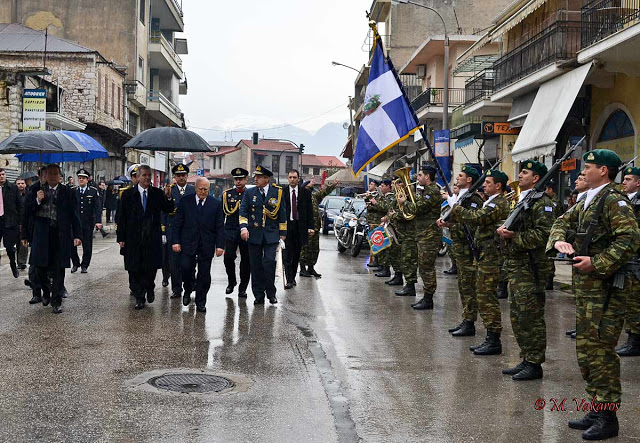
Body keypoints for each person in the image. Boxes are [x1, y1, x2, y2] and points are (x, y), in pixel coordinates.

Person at [548, 149, 640, 440]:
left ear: (603, 171)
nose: (582, 172)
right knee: (587, 352)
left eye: (587, 167)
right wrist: (560, 240)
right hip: (589, 289)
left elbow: (630, 239)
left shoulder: (613, 199)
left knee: (601, 353)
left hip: (607, 287)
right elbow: (562, 221)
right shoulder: (589, 199)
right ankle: (597, 406)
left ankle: (608, 417)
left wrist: (597, 263)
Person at [497, 160, 554, 380]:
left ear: (537, 178)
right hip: (517, 265)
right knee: (518, 316)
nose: (519, 175)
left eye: (525, 172)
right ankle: (526, 357)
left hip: (532, 266)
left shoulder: (543, 203)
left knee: (531, 316)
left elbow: (544, 235)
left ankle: (535, 363)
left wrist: (515, 237)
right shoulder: (523, 199)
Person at [450, 169, 510, 355]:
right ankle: (489, 336)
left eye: (488, 182)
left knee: (486, 296)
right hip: (483, 254)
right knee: (481, 294)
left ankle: (494, 339)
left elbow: (476, 218)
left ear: (498, 186)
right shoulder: (490, 202)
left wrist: (456, 206)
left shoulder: (498, 204)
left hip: (492, 255)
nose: (484, 185)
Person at [22, 164, 81, 314]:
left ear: (60, 176)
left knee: (58, 268)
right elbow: (27, 212)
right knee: (39, 267)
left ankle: (56, 301)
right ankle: (46, 290)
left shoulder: (67, 191)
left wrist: (77, 235)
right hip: (41, 233)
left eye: (56, 174)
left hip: (60, 233)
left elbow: (74, 214)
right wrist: (37, 200)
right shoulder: (36, 189)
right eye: (50, 174)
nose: (53, 176)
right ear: (46, 175)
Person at [117, 165, 174, 310]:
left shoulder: (157, 193)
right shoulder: (128, 195)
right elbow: (121, 217)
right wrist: (121, 238)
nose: (147, 178)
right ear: (138, 177)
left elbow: (168, 209)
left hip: (151, 238)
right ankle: (139, 297)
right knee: (134, 268)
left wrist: (168, 196)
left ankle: (150, 287)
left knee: (150, 268)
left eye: (149, 175)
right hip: (133, 238)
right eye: (144, 175)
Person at [438, 165, 484, 336]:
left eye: (461, 175)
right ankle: (466, 319)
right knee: (463, 286)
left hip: (468, 249)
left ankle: (470, 322)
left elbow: (472, 224)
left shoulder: (474, 200)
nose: (457, 177)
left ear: (469, 180)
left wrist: (455, 211)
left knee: (469, 286)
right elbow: (461, 222)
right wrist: (448, 223)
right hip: (459, 248)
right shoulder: (462, 198)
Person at [171, 177, 224, 312]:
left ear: (209, 189)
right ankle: (188, 289)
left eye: (206, 189)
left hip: (206, 244)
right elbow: (177, 223)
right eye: (200, 188)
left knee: (204, 274)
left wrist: (220, 245)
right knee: (186, 268)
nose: (203, 191)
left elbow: (219, 227)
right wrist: (176, 241)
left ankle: (201, 301)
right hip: (188, 243)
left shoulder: (216, 204)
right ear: (195, 188)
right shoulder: (185, 201)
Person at [239, 165, 287, 305]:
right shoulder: (249, 192)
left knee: (269, 263)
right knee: (256, 265)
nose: (255, 179)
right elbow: (243, 212)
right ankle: (258, 295)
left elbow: (282, 213)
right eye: (255, 176)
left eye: (259, 177)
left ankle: (271, 293)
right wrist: (243, 228)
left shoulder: (277, 192)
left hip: (271, 234)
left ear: (267, 178)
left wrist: (283, 233)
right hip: (254, 234)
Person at [398, 165, 442, 309]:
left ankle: (428, 299)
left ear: (427, 177)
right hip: (424, 233)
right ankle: (426, 297)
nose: (417, 178)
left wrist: (405, 202)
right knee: (423, 266)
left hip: (430, 234)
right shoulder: (427, 191)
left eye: (420, 175)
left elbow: (418, 209)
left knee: (426, 267)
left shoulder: (433, 191)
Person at [616, 166, 640, 356]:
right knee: (629, 300)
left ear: (638, 183)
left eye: (628, 179)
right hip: (629, 258)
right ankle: (632, 337)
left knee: (635, 301)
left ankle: (635, 341)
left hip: (637, 259)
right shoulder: (625, 200)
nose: (624, 182)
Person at [161, 163, 195, 296]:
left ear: (187, 176)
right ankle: (176, 288)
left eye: (183, 175)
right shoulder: (170, 190)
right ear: (175, 177)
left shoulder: (193, 191)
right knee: (173, 260)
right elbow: (163, 211)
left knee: (190, 259)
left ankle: (190, 284)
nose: (181, 178)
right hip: (172, 229)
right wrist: (163, 231)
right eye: (178, 175)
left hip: (189, 230)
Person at [299, 178, 339, 278]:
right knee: (304, 249)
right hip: (306, 228)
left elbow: (324, 192)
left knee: (314, 248)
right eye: (309, 185)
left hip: (315, 227)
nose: (312, 186)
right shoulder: (302, 196)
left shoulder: (314, 196)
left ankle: (311, 268)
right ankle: (303, 269)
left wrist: (333, 185)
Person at [282, 169, 313, 289]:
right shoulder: (283, 192)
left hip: (300, 227)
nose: (292, 179)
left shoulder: (305, 193)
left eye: (294, 177)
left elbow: (309, 211)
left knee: (296, 254)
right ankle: (289, 278)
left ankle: (293, 276)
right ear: (287, 178)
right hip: (287, 226)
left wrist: (310, 227)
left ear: (298, 179)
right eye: (290, 177)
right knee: (287, 254)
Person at [222, 168, 251, 297]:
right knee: (228, 258)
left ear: (246, 180)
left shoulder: (250, 194)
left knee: (246, 260)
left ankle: (243, 287)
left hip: (246, 231)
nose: (238, 182)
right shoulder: (227, 194)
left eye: (241, 179)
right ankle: (231, 281)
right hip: (231, 230)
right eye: (236, 179)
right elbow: (222, 214)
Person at [70, 169, 103, 274]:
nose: (81, 180)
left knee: (87, 245)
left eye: (83, 178)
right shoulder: (73, 190)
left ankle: (85, 265)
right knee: (72, 245)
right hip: (74, 223)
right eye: (79, 178)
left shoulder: (93, 191)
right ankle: (75, 263)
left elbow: (97, 207)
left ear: (87, 179)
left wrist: (98, 221)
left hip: (87, 222)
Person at [367, 179, 393, 277]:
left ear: (388, 187)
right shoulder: (382, 197)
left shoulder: (390, 197)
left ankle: (385, 268)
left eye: (382, 186)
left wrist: (376, 204)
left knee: (384, 247)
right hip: (378, 222)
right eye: (380, 186)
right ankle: (381, 265)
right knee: (379, 245)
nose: (381, 188)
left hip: (384, 223)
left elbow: (387, 208)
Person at [0, 168, 23, 278]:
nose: (1, 176)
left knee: (9, 247)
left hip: (9, 222)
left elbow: (20, 205)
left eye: (3, 174)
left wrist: (20, 222)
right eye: (0, 175)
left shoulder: (12, 188)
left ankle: (13, 265)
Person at [363, 180, 381, 268]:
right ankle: (375, 260)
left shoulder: (378, 196)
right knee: (372, 241)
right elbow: (370, 206)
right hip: (371, 220)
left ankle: (377, 261)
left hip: (376, 221)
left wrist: (369, 197)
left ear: (376, 186)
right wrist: (367, 199)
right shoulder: (372, 195)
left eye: (371, 184)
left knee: (376, 241)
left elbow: (378, 207)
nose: (369, 185)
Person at [15, 178, 28, 270]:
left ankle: (22, 262)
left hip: (25, 222)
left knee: (24, 242)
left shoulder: (28, 195)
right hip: (14, 222)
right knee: (16, 242)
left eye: (22, 183)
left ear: (25, 184)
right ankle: (17, 260)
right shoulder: (13, 195)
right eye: (18, 183)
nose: (20, 185)